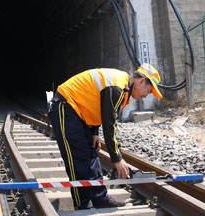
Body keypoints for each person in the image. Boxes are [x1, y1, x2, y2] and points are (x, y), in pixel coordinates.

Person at [47, 63, 163, 210]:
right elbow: (110, 124)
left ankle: (100, 198)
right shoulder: (117, 87)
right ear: (141, 81)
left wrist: (94, 132)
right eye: (149, 90)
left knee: (92, 156)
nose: (147, 95)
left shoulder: (122, 88)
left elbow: (96, 103)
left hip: (78, 111)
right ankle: (82, 205)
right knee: (77, 160)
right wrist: (117, 158)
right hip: (66, 108)